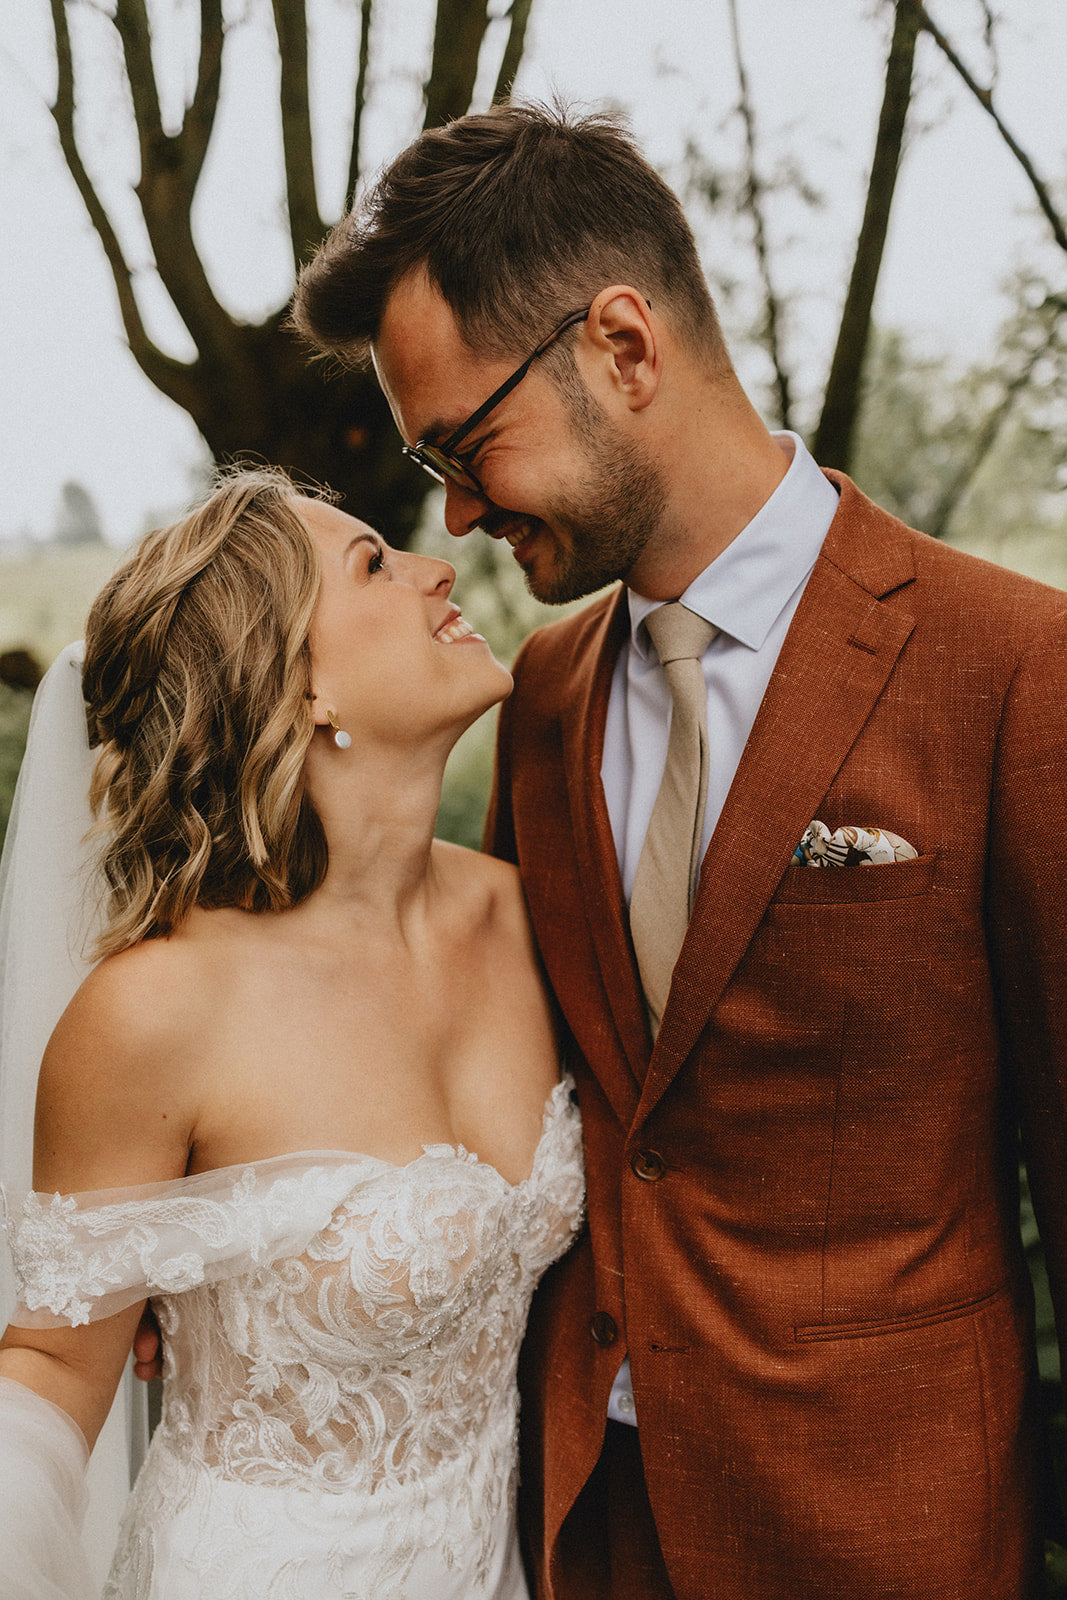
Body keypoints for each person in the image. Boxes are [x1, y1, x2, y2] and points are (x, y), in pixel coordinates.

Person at [288, 101, 1067, 1599]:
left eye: (467, 443)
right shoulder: (537, 706)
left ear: (621, 349)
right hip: (585, 1523)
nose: (454, 510)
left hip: (892, 1531)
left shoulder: (1011, 667)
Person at [0, 466, 584, 1598]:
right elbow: (55, 1366)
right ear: (297, 687)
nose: (438, 566)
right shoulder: (157, 1011)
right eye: (374, 561)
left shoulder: (520, 914)